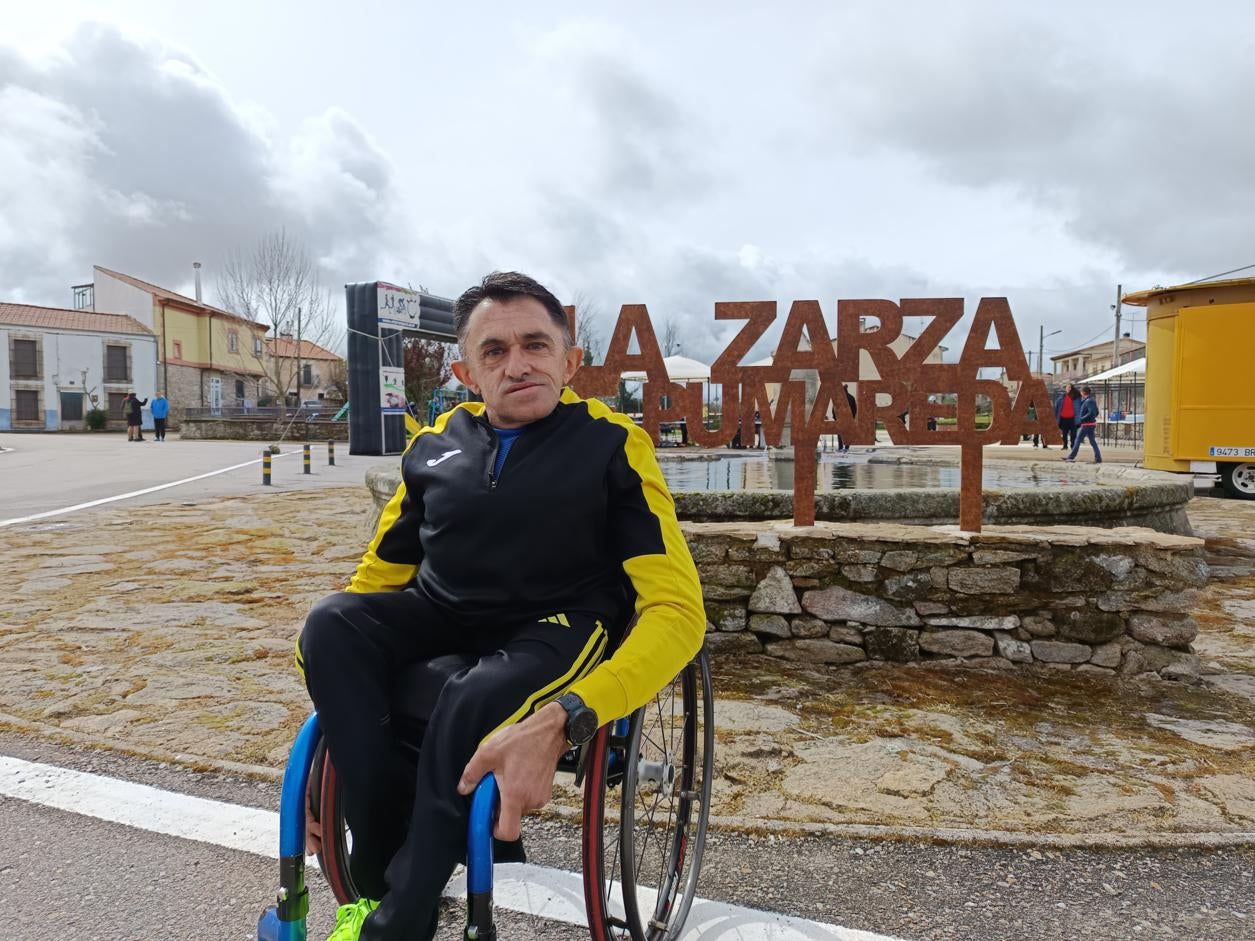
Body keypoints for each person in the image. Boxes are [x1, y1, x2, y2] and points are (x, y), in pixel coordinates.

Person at [297, 271, 705, 941]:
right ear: (465, 370)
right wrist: (325, 704)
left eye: (535, 345)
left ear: (570, 361)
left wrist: (573, 711)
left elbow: (678, 610)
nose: (517, 364)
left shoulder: (611, 446)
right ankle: (377, 877)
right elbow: (375, 578)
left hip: (558, 620)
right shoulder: (432, 447)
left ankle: (398, 920)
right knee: (330, 626)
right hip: (444, 610)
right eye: (494, 351)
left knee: (470, 692)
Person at [1063, 385, 1102, 464]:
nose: (1080, 393)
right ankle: (1098, 458)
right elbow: (1096, 412)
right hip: (1089, 424)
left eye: (1081, 392)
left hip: (1087, 424)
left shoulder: (1089, 401)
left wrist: (1082, 418)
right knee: (1092, 441)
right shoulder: (1089, 400)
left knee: (1078, 440)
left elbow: (1092, 412)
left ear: (1083, 392)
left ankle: (1071, 457)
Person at [1054, 383, 1079, 450]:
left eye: (1069, 387)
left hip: (1072, 418)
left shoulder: (1076, 397)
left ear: (1072, 388)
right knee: (1064, 433)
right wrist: (1056, 417)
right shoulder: (1062, 397)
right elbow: (1057, 407)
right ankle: (1065, 446)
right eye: (1067, 387)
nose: (1068, 389)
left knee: (1073, 433)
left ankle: (1073, 445)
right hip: (1063, 418)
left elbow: (1079, 407)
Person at [837, 384, 857, 453]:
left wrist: (835, 417)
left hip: (840, 418)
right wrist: (853, 418)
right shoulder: (852, 398)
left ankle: (840, 447)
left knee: (840, 433)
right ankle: (846, 447)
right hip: (849, 419)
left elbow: (835, 408)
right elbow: (855, 409)